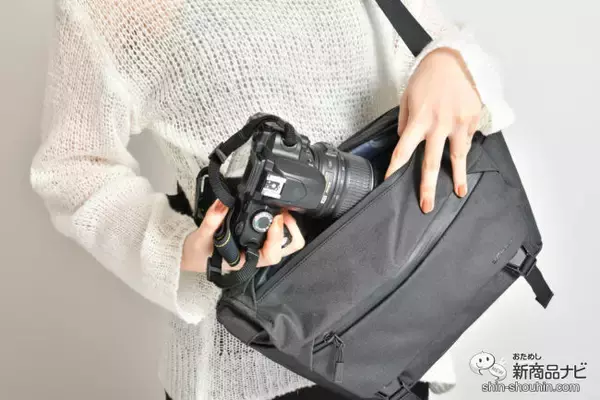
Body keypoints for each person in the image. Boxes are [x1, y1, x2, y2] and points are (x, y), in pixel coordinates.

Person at [31, 1, 514, 399]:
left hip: (397, 329)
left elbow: (449, 48)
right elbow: (72, 168)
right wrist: (186, 248)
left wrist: (450, 64)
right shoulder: (108, 9)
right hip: (254, 363)